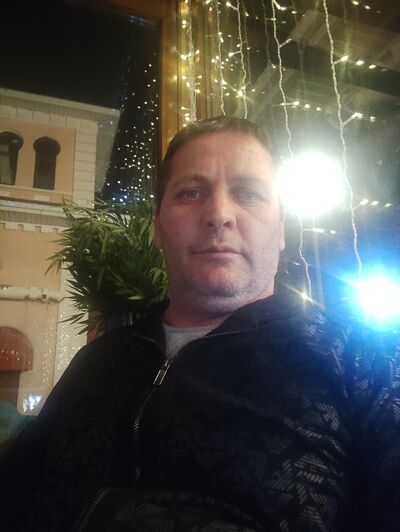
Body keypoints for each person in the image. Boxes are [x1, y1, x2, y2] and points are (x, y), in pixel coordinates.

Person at [1, 116, 400, 532]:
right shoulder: (96, 362)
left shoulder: (362, 359)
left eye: (248, 194)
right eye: (190, 193)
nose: (219, 214)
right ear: (158, 227)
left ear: (281, 230)